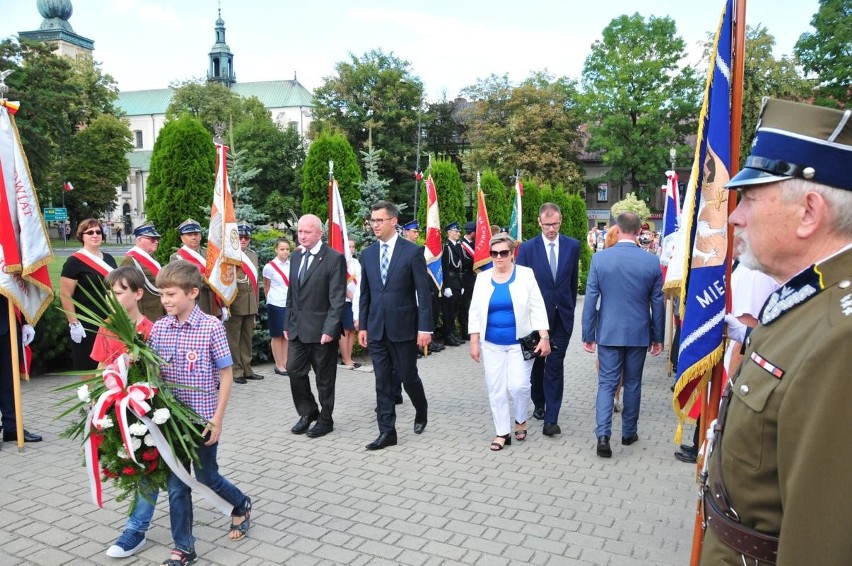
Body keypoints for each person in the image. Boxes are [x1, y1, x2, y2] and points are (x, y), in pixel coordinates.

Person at [699, 98, 852, 564]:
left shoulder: (840, 336)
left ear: (809, 211)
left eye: (749, 197)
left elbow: (821, 541)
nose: (734, 217)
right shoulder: (804, 298)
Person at [148, 262, 252, 566]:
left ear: (193, 292)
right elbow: (154, 370)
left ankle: (241, 504)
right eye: (162, 294)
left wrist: (217, 419)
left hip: (202, 421)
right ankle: (184, 548)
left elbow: (226, 375)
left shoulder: (211, 326)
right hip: (170, 422)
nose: (165, 300)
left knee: (207, 476)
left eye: (171, 294)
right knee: (177, 484)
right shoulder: (160, 327)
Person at [581, 212, 664, 458]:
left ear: (617, 228)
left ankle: (603, 435)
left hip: (608, 331)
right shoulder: (651, 262)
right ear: (639, 231)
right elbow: (656, 303)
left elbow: (591, 300)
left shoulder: (601, 259)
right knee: (633, 383)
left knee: (606, 385)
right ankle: (628, 433)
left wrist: (588, 333)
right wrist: (658, 337)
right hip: (639, 333)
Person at [93, 267, 157, 558]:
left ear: (138, 293)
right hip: (114, 409)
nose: (112, 297)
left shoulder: (150, 330)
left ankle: (136, 528)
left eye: (119, 292)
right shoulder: (106, 325)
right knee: (131, 468)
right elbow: (98, 368)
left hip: (142, 412)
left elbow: (158, 375)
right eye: (110, 292)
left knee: (147, 468)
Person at [359, 201, 432, 450]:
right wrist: (363, 327)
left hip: (403, 327)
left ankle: (421, 409)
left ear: (393, 221)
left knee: (407, 376)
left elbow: (423, 293)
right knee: (382, 381)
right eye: (372, 220)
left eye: (380, 220)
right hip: (377, 328)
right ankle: (387, 431)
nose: (375, 225)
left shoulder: (411, 252)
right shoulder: (367, 254)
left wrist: (425, 328)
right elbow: (365, 293)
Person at [468, 234, 550, 451]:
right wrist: (474, 341)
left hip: (520, 343)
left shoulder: (525, 275)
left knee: (519, 386)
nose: (499, 257)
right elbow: (475, 311)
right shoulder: (483, 279)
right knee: (495, 388)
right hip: (491, 343)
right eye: (494, 253)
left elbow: (537, 306)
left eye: (503, 252)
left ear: (512, 253)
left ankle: (521, 419)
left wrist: (544, 337)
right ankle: (502, 432)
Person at [515, 203, 580, 436]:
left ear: (560, 220)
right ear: (539, 222)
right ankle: (539, 403)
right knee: (537, 363)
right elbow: (521, 287)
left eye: (555, 224)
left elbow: (572, 283)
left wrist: (570, 309)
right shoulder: (527, 249)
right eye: (547, 224)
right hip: (535, 320)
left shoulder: (573, 246)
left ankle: (551, 418)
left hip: (562, 317)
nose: (551, 229)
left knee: (554, 365)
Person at [285, 215, 346, 438]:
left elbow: (337, 298)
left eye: (307, 232)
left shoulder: (333, 258)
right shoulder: (296, 256)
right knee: (293, 370)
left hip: (322, 332)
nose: (301, 236)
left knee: (324, 379)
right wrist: (287, 322)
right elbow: (292, 293)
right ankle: (308, 412)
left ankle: (326, 419)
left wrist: (330, 329)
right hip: (297, 329)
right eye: (299, 232)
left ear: (319, 234)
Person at [60, 218, 118, 372]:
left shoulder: (109, 259)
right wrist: (74, 323)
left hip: (110, 320)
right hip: (87, 323)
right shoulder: (73, 262)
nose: (95, 235)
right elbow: (65, 295)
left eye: (98, 232)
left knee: (111, 367)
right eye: (90, 232)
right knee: (89, 368)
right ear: (82, 236)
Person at [0, 296, 40, 446]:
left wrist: (24, 321)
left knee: (9, 381)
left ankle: (12, 428)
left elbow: (16, 286)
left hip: (7, 322)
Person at [224, 223, 260, 384]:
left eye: (246, 237)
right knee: (234, 339)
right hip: (235, 303)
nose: (244, 240)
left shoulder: (252, 255)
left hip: (250, 303)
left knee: (247, 338)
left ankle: (247, 368)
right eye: (240, 237)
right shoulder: (229, 255)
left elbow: (254, 281)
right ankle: (236, 371)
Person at [169, 218, 217, 316]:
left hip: (213, 301)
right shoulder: (177, 257)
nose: (194, 237)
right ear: (182, 238)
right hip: (195, 302)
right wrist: (209, 278)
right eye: (189, 235)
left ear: (200, 236)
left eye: (196, 234)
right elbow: (185, 280)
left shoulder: (209, 253)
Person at [121, 222, 165, 322]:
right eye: (152, 239)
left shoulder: (152, 257)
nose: (156, 241)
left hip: (159, 310)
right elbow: (127, 291)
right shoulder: (130, 260)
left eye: (157, 239)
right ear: (139, 240)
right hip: (145, 314)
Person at [262, 238, 291, 376]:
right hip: (275, 304)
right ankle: (278, 364)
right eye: (282, 249)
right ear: (276, 250)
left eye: (287, 249)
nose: (285, 252)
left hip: (288, 304)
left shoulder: (291, 265)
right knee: (277, 335)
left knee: (286, 334)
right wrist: (269, 300)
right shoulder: (269, 267)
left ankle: (286, 362)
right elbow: (266, 286)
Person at [339, 238, 363, 370]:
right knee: (345, 330)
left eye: (353, 246)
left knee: (352, 329)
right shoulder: (341, 262)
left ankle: (349, 357)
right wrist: (350, 295)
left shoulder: (356, 262)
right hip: (345, 300)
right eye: (349, 247)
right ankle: (345, 359)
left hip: (356, 300)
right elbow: (339, 282)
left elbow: (360, 280)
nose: (351, 249)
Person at [440, 222, 465, 346]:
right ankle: (448, 336)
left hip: (457, 282)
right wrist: (447, 286)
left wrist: (461, 285)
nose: (458, 233)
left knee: (454, 310)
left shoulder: (458, 247)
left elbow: (459, 267)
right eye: (456, 231)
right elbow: (445, 267)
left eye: (458, 231)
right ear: (449, 232)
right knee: (448, 311)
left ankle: (453, 334)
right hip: (450, 281)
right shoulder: (446, 247)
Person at [458, 221, 476, 340]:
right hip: (465, 278)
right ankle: (465, 331)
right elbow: (462, 263)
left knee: (473, 306)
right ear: (472, 232)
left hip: (474, 278)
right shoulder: (461, 245)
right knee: (465, 306)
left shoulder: (475, 244)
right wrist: (476, 260)